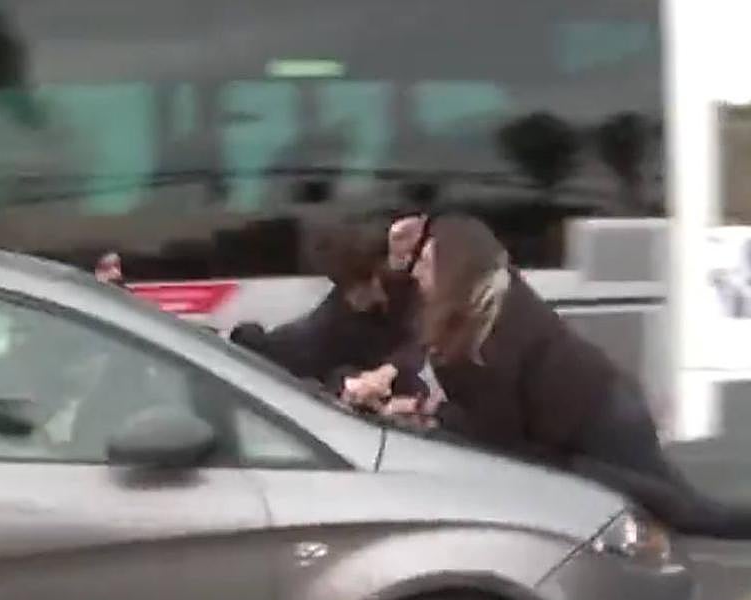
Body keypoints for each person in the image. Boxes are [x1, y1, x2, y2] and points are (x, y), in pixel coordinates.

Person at [398, 213, 751, 538]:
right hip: (591, 415)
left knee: (687, 514)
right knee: (673, 508)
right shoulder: (487, 298)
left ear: (455, 270)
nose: (416, 273)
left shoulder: (499, 334)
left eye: (427, 264)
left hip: (604, 418)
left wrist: (433, 415)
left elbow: (498, 437)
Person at [229, 217, 426, 403]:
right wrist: (352, 383)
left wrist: (388, 371)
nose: (353, 299)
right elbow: (311, 357)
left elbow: (421, 339)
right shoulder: (330, 323)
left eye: (356, 289)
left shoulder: (404, 288)